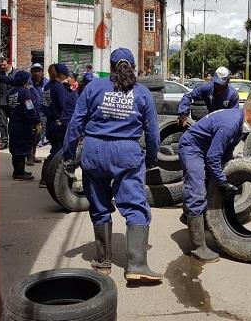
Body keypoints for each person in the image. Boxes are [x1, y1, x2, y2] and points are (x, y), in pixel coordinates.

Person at [63, 48, 162, 282]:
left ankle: (103, 262)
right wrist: (151, 158)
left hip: (94, 152)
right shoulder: (142, 93)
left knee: (99, 206)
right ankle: (137, 265)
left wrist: (68, 156)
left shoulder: (93, 88)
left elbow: (76, 123)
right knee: (135, 206)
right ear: (133, 65)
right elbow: (152, 132)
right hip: (126, 153)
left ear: (110, 65)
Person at [179, 96, 251, 262]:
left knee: (209, 185)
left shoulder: (240, 124)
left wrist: (226, 175)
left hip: (206, 149)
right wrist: (222, 182)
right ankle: (198, 247)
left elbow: (225, 152)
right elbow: (213, 157)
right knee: (197, 191)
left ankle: (189, 216)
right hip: (193, 148)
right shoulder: (230, 124)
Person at [39, 63, 72, 187]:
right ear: (61, 74)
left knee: (55, 149)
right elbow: (65, 106)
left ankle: (45, 178)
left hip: (50, 122)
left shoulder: (48, 86)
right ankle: (46, 179)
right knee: (58, 152)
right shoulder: (58, 87)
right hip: (59, 124)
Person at [6, 71, 42, 180]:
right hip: (22, 125)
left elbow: (7, 109)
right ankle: (19, 173)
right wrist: (36, 121)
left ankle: (18, 171)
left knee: (15, 148)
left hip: (13, 123)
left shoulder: (10, 92)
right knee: (21, 149)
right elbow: (29, 109)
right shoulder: (25, 92)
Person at [27, 63, 48, 165]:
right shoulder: (28, 83)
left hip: (43, 114)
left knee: (39, 136)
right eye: (34, 71)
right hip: (32, 114)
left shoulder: (46, 83)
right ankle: (29, 158)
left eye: (39, 71)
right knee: (31, 136)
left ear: (42, 72)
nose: (36, 73)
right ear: (31, 72)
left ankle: (33, 155)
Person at [0, 57, 17, 150]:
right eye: (1, 65)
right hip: (2, 102)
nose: (2, 66)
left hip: (12, 102)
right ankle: (4, 141)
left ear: (9, 63)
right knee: (2, 123)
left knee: (13, 123)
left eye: (4, 64)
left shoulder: (16, 74)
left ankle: (14, 140)